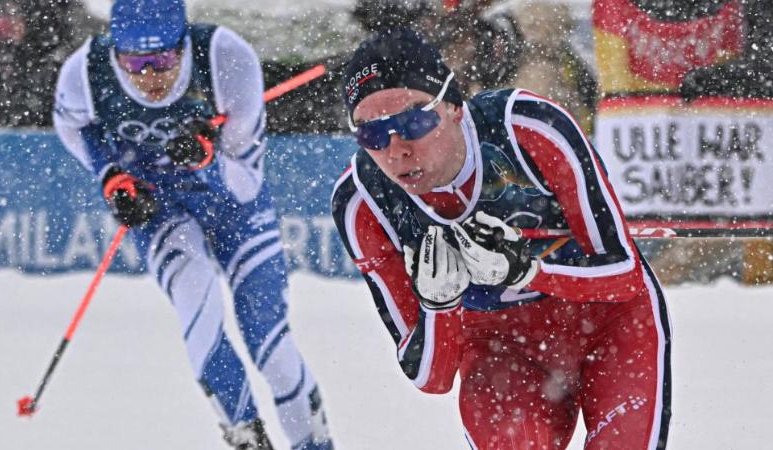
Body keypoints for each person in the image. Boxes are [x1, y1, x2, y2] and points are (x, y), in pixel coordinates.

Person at [331, 28, 671, 449]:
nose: (397, 150)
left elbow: (624, 275)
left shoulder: (528, 128)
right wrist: (440, 305)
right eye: (372, 135)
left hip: (607, 319)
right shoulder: (363, 203)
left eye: (414, 121)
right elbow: (429, 377)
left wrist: (529, 270)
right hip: (502, 346)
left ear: (454, 107)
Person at [52, 1, 333, 448]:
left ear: (183, 45)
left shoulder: (224, 57)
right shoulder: (84, 72)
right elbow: (72, 125)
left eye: (163, 59)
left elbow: (245, 182)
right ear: (115, 54)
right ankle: (247, 437)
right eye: (135, 64)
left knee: (269, 343)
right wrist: (111, 179)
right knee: (197, 315)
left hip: (234, 212)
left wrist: (207, 158)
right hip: (161, 210)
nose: (150, 76)